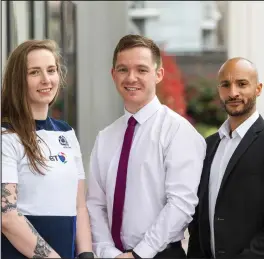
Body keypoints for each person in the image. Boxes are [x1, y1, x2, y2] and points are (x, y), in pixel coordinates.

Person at [86, 34, 206, 259]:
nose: (131, 78)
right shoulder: (105, 137)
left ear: (158, 74)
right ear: (113, 75)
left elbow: (181, 203)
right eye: (123, 70)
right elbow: (95, 204)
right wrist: (108, 252)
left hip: (160, 254)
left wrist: (139, 254)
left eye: (141, 70)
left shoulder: (178, 131)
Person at [1, 39, 94, 259]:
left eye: (51, 70)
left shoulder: (66, 134)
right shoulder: (7, 136)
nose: (46, 80)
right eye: (34, 72)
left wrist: (86, 254)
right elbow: (6, 216)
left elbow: (79, 206)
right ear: (18, 81)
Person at [187, 57, 264, 258]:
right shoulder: (208, 146)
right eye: (225, 85)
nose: (233, 93)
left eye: (242, 84)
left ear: (258, 88)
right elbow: (198, 217)